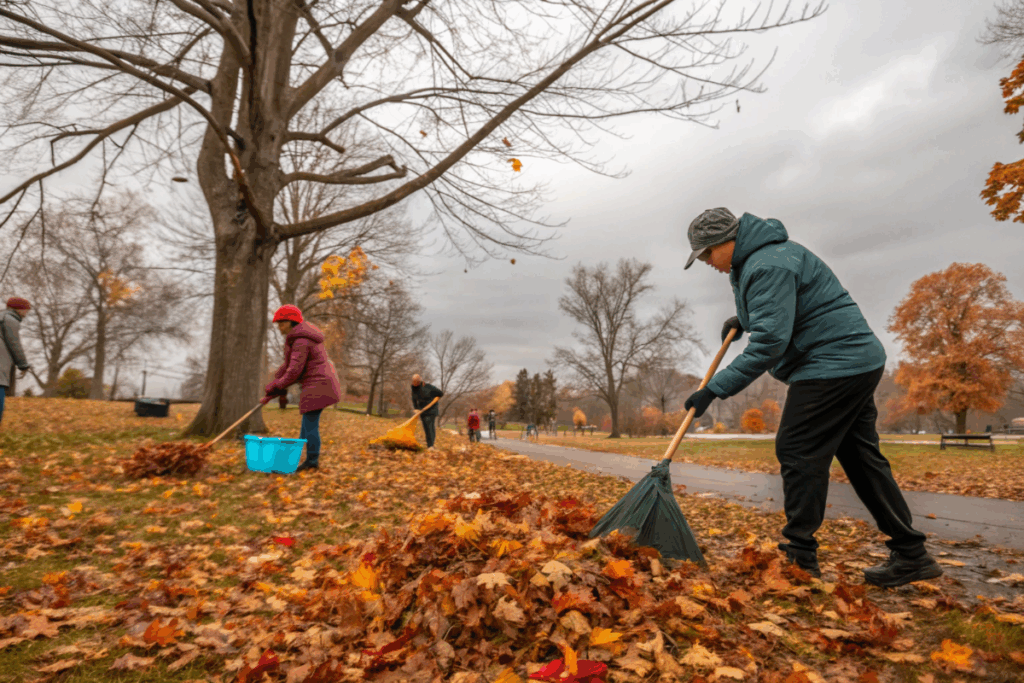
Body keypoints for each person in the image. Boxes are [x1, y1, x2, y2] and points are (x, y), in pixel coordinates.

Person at [682, 208, 942, 588]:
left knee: (797, 449)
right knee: (861, 459)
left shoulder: (766, 264)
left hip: (832, 364)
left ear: (728, 241)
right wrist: (746, 319)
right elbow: (789, 310)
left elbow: (771, 343)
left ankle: (799, 558)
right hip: (856, 360)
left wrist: (714, 389)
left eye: (706, 253)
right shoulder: (769, 255)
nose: (706, 262)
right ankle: (912, 554)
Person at [262, 304, 341, 472]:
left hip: (319, 384)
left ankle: (312, 461)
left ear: (291, 322)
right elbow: (288, 366)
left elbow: (294, 371)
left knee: (310, 425)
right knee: (307, 425)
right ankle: (299, 459)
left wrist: (276, 386)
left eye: (281, 324)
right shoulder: (296, 339)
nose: (279, 328)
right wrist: (273, 385)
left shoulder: (301, 340)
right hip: (317, 383)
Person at [0, 297, 32, 426]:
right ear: (19, 309)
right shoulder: (10, 320)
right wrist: (23, 365)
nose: (27, 313)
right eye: (26, 310)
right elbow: (15, 344)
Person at [411, 374, 444, 449]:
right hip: (422, 411)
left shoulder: (429, 387)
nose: (413, 383)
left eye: (415, 382)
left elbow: (440, 393)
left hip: (431, 410)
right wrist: (416, 408)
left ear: (419, 381)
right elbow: (414, 398)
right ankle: (430, 445)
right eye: (413, 382)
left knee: (429, 427)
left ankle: (430, 445)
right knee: (426, 427)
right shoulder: (414, 388)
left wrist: (432, 403)